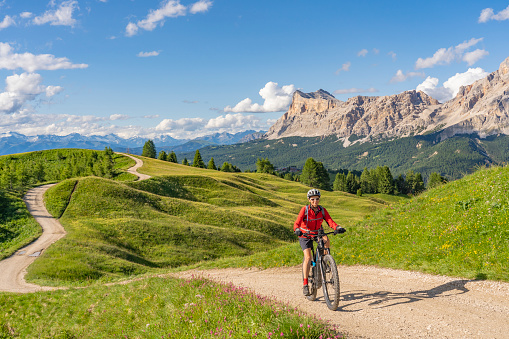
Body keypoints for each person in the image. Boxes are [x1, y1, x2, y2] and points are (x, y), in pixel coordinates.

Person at [293, 188, 346, 296]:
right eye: (312, 199)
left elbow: (330, 221)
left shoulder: (322, 210)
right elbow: (297, 223)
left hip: (318, 232)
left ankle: (325, 262)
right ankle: (305, 284)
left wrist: (337, 227)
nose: (315, 201)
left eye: (317, 199)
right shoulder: (305, 210)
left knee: (326, 240)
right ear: (309, 200)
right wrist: (297, 230)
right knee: (308, 257)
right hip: (305, 234)